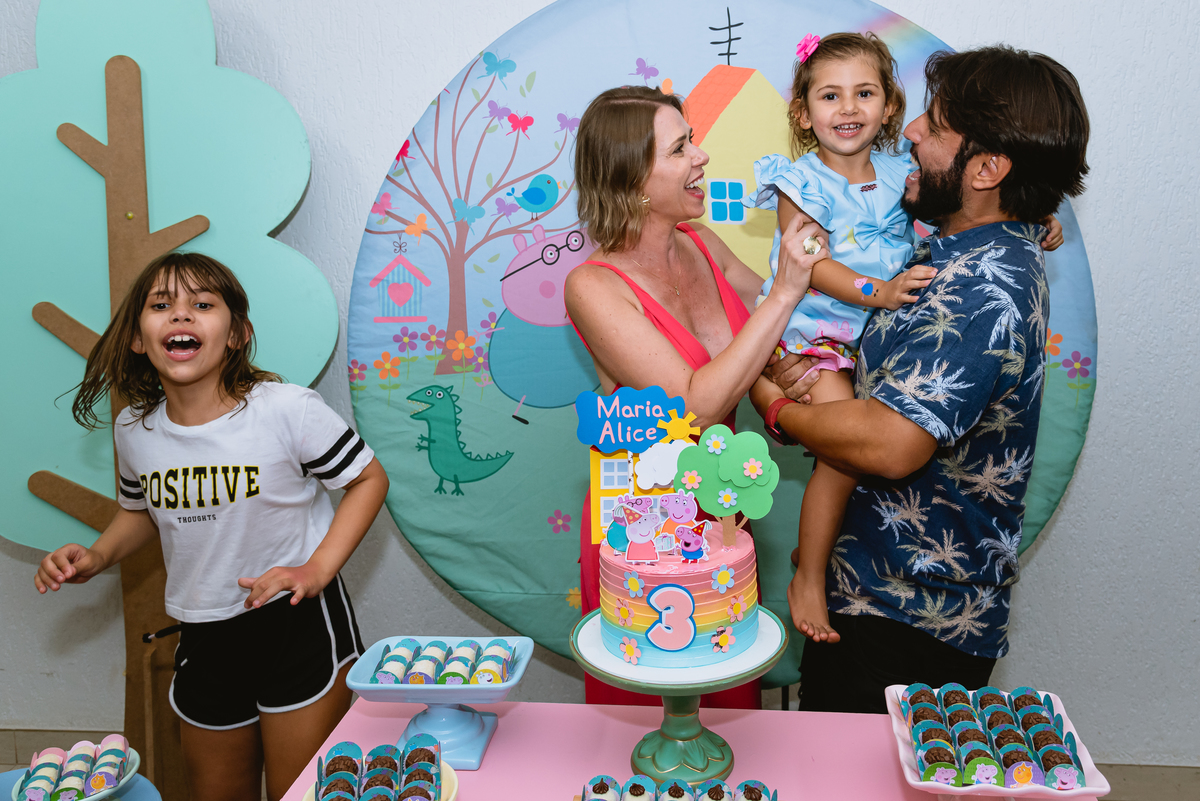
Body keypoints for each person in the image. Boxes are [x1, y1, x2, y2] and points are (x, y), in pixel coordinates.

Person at [751, 45, 1089, 713]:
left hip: (905, 617)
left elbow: (888, 444)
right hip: (880, 590)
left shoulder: (981, 288)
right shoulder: (967, 245)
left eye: (932, 126)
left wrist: (774, 405)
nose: (907, 132)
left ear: (988, 168)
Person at [35, 253, 390, 801]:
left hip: (297, 628)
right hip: (203, 637)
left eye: (202, 305)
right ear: (137, 336)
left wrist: (317, 569)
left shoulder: (288, 409)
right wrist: (97, 556)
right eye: (161, 306)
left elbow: (368, 480)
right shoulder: (134, 429)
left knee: (301, 794)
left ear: (237, 334)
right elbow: (139, 513)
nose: (181, 317)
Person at [565, 85, 826, 706]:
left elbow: (766, 333)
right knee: (651, 714)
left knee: (728, 702)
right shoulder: (592, 286)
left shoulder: (704, 245)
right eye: (681, 147)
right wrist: (786, 294)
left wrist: (780, 376)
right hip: (642, 528)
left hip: (724, 509)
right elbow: (695, 403)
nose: (702, 156)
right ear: (631, 181)